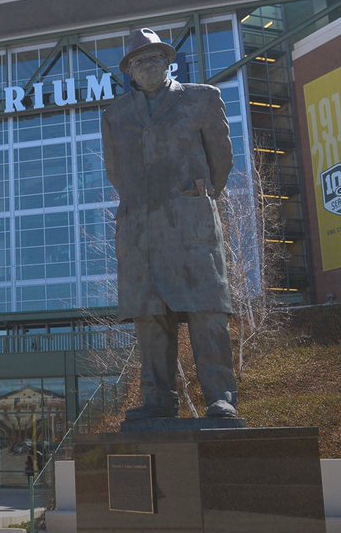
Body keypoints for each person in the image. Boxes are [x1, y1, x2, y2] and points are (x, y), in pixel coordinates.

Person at [100, 28, 239, 420]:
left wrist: (196, 195)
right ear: (129, 71)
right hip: (140, 229)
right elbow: (115, 171)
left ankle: (220, 395)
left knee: (206, 312)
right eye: (139, 61)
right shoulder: (115, 116)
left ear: (168, 62)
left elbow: (221, 159)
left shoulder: (201, 99)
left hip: (190, 222)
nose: (147, 65)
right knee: (150, 317)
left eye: (154, 58)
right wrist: (143, 202)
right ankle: (157, 400)